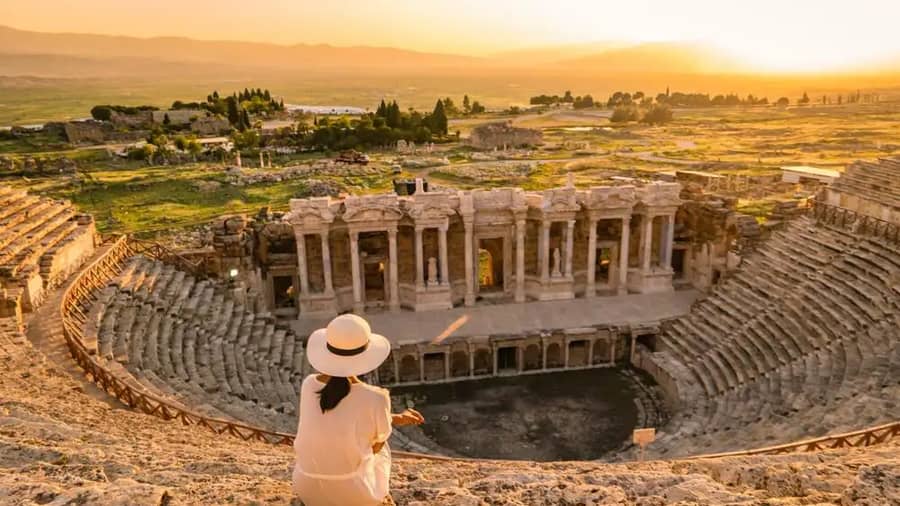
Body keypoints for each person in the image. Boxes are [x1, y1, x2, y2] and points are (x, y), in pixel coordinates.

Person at [292, 314, 424, 506]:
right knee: (382, 445)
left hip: (307, 488)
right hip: (354, 495)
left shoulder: (308, 384)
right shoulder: (377, 396)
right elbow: (375, 446)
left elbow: (337, 417)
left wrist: (395, 418)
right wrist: (392, 419)